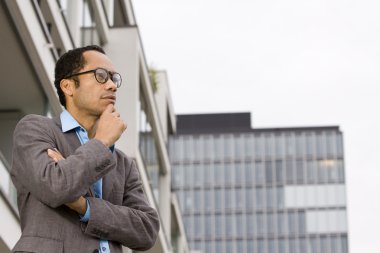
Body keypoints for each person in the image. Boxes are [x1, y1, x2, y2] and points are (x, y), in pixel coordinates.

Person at [10, 45, 159, 253]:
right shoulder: (35, 130)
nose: (112, 86)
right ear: (68, 86)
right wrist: (101, 142)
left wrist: (84, 207)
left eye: (113, 79)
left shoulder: (124, 164)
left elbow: (147, 229)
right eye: (100, 76)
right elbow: (55, 187)